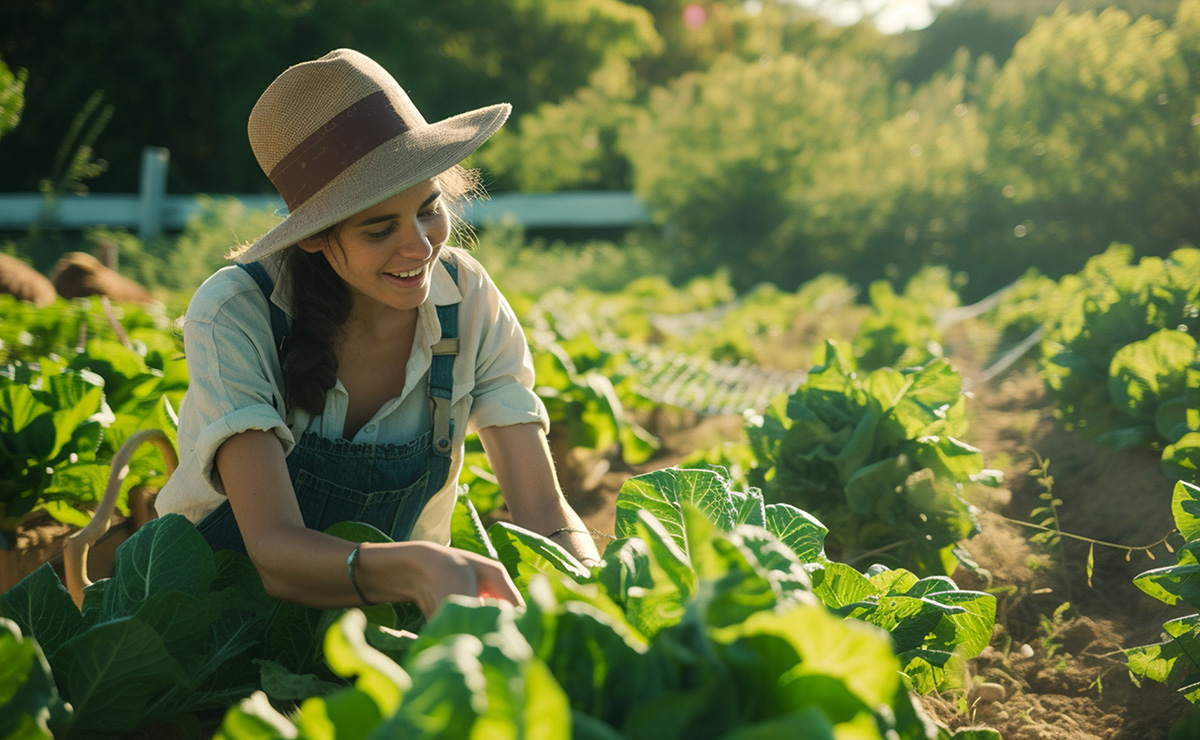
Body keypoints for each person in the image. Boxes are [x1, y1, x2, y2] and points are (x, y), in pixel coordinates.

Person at [155, 48, 601, 618]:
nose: (419, 246)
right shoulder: (237, 312)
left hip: (386, 618)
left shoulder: (466, 299)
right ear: (314, 235)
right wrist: (418, 566)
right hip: (210, 628)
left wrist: (594, 591)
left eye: (428, 209)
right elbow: (270, 547)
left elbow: (543, 508)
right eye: (379, 228)